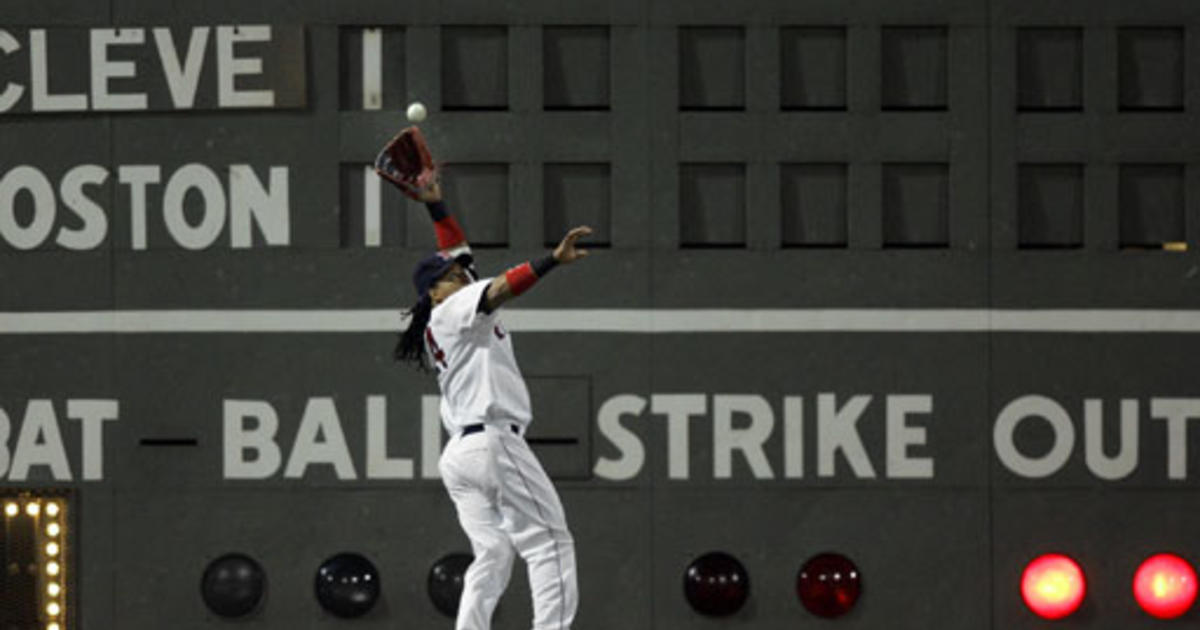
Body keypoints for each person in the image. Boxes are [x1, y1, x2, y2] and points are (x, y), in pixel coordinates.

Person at [393, 174, 590, 630]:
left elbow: (459, 252)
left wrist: (436, 206)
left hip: (461, 456)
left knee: (496, 552)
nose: (462, 274)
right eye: (451, 276)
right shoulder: (453, 308)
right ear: (433, 293)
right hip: (493, 440)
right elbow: (502, 287)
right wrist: (552, 261)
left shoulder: (447, 309)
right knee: (549, 542)